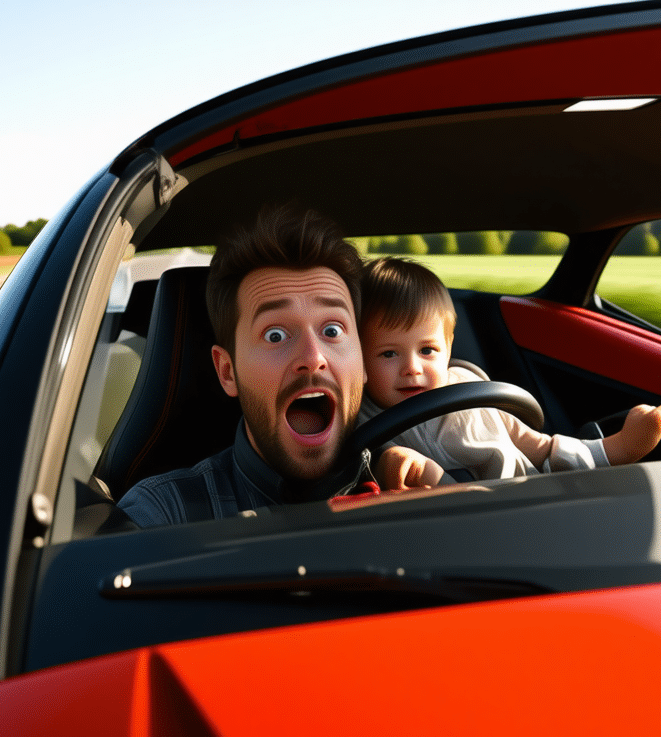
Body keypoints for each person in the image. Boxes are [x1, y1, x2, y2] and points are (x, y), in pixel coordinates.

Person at [117, 206, 434, 527]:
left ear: (363, 361)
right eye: (275, 334)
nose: (313, 357)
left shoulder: (420, 486)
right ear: (228, 371)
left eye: (332, 331)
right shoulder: (165, 514)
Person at [358, 256, 661, 485]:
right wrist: (390, 464)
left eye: (427, 350)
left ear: (448, 347)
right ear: (357, 357)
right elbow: (353, 472)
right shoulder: (359, 416)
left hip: (524, 508)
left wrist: (619, 448)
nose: (412, 369)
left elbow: (542, 449)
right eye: (388, 353)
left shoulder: (473, 392)